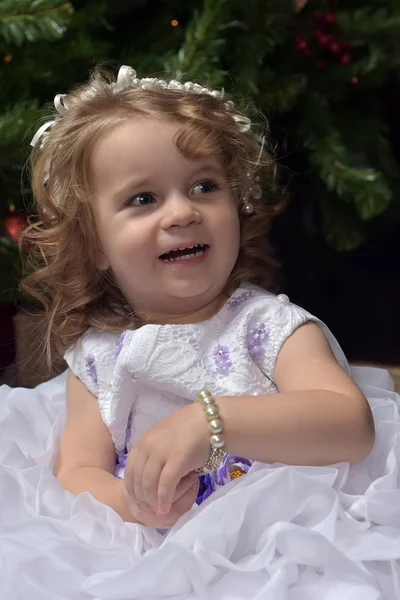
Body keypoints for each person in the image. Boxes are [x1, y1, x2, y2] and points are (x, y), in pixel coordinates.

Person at [2, 64, 398, 598]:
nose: (183, 212)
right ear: (95, 244)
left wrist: (211, 421)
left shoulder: (266, 327)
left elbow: (350, 423)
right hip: (154, 552)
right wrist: (131, 503)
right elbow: (77, 470)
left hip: (284, 539)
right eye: (143, 199)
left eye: (204, 186)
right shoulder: (97, 358)